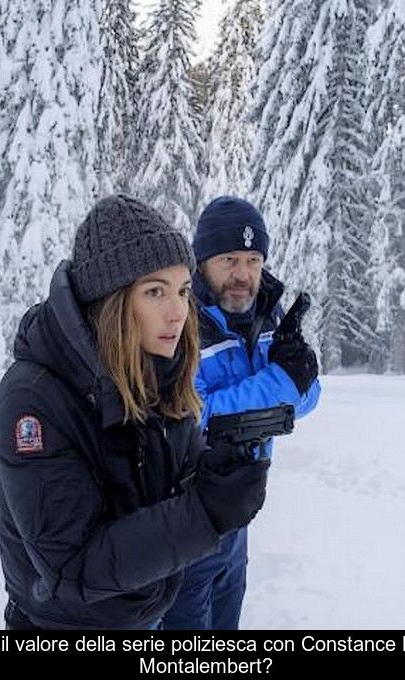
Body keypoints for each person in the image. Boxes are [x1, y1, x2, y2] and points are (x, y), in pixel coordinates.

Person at [0, 195, 270, 630]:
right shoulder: (34, 401)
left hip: (145, 617)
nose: (178, 312)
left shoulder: (156, 371)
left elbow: (170, 482)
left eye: (181, 291)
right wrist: (206, 511)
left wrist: (216, 471)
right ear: (111, 301)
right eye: (155, 291)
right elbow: (73, 567)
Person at [162, 196, 321, 631]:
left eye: (253, 260)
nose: (243, 274)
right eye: (230, 259)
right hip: (186, 517)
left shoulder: (265, 317)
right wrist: (282, 384)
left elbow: (308, 397)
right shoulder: (180, 323)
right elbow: (196, 416)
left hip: (237, 514)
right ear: (203, 263)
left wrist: (290, 381)